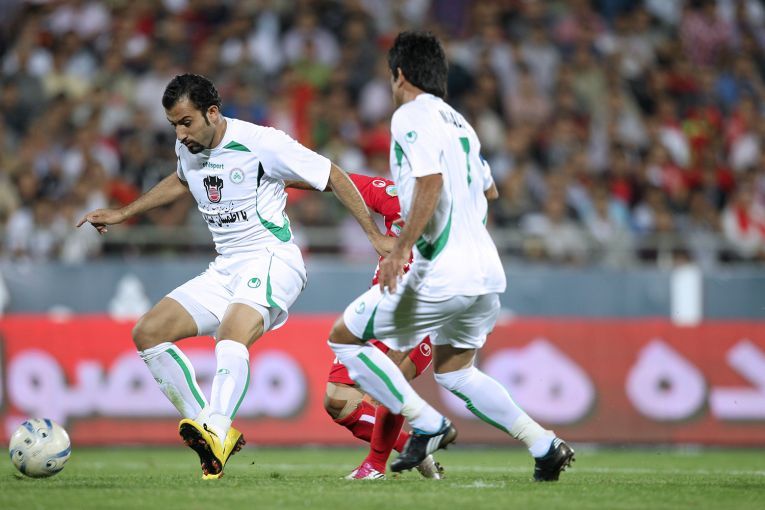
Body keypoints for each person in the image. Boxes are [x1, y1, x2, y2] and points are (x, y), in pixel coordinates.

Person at [77, 74, 392, 479]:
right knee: (148, 332)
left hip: (272, 259)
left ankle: (217, 428)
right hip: (226, 267)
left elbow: (332, 174)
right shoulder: (188, 146)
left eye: (186, 122)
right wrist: (124, 213)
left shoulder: (263, 143)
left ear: (212, 113)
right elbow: (181, 179)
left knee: (232, 332)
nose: (180, 133)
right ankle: (208, 429)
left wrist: (374, 236)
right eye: (173, 124)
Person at [326, 31, 575, 482]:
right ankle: (544, 444)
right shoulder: (461, 124)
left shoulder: (410, 115)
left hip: (441, 272)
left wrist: (401, 248)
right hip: (485, 271)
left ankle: (427, 424)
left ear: (400, 75)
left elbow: (430, 181)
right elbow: (490, 190)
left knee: (344, 338)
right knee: (456, 373)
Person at [287, 173, 454, 480]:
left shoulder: (452, 210)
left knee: (388, 387)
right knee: (338, 402)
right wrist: (278, 173)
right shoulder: (394, 195)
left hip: (419, 310)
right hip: (378, 309)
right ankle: (413, 448)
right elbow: (332, 176)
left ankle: (375, 465)